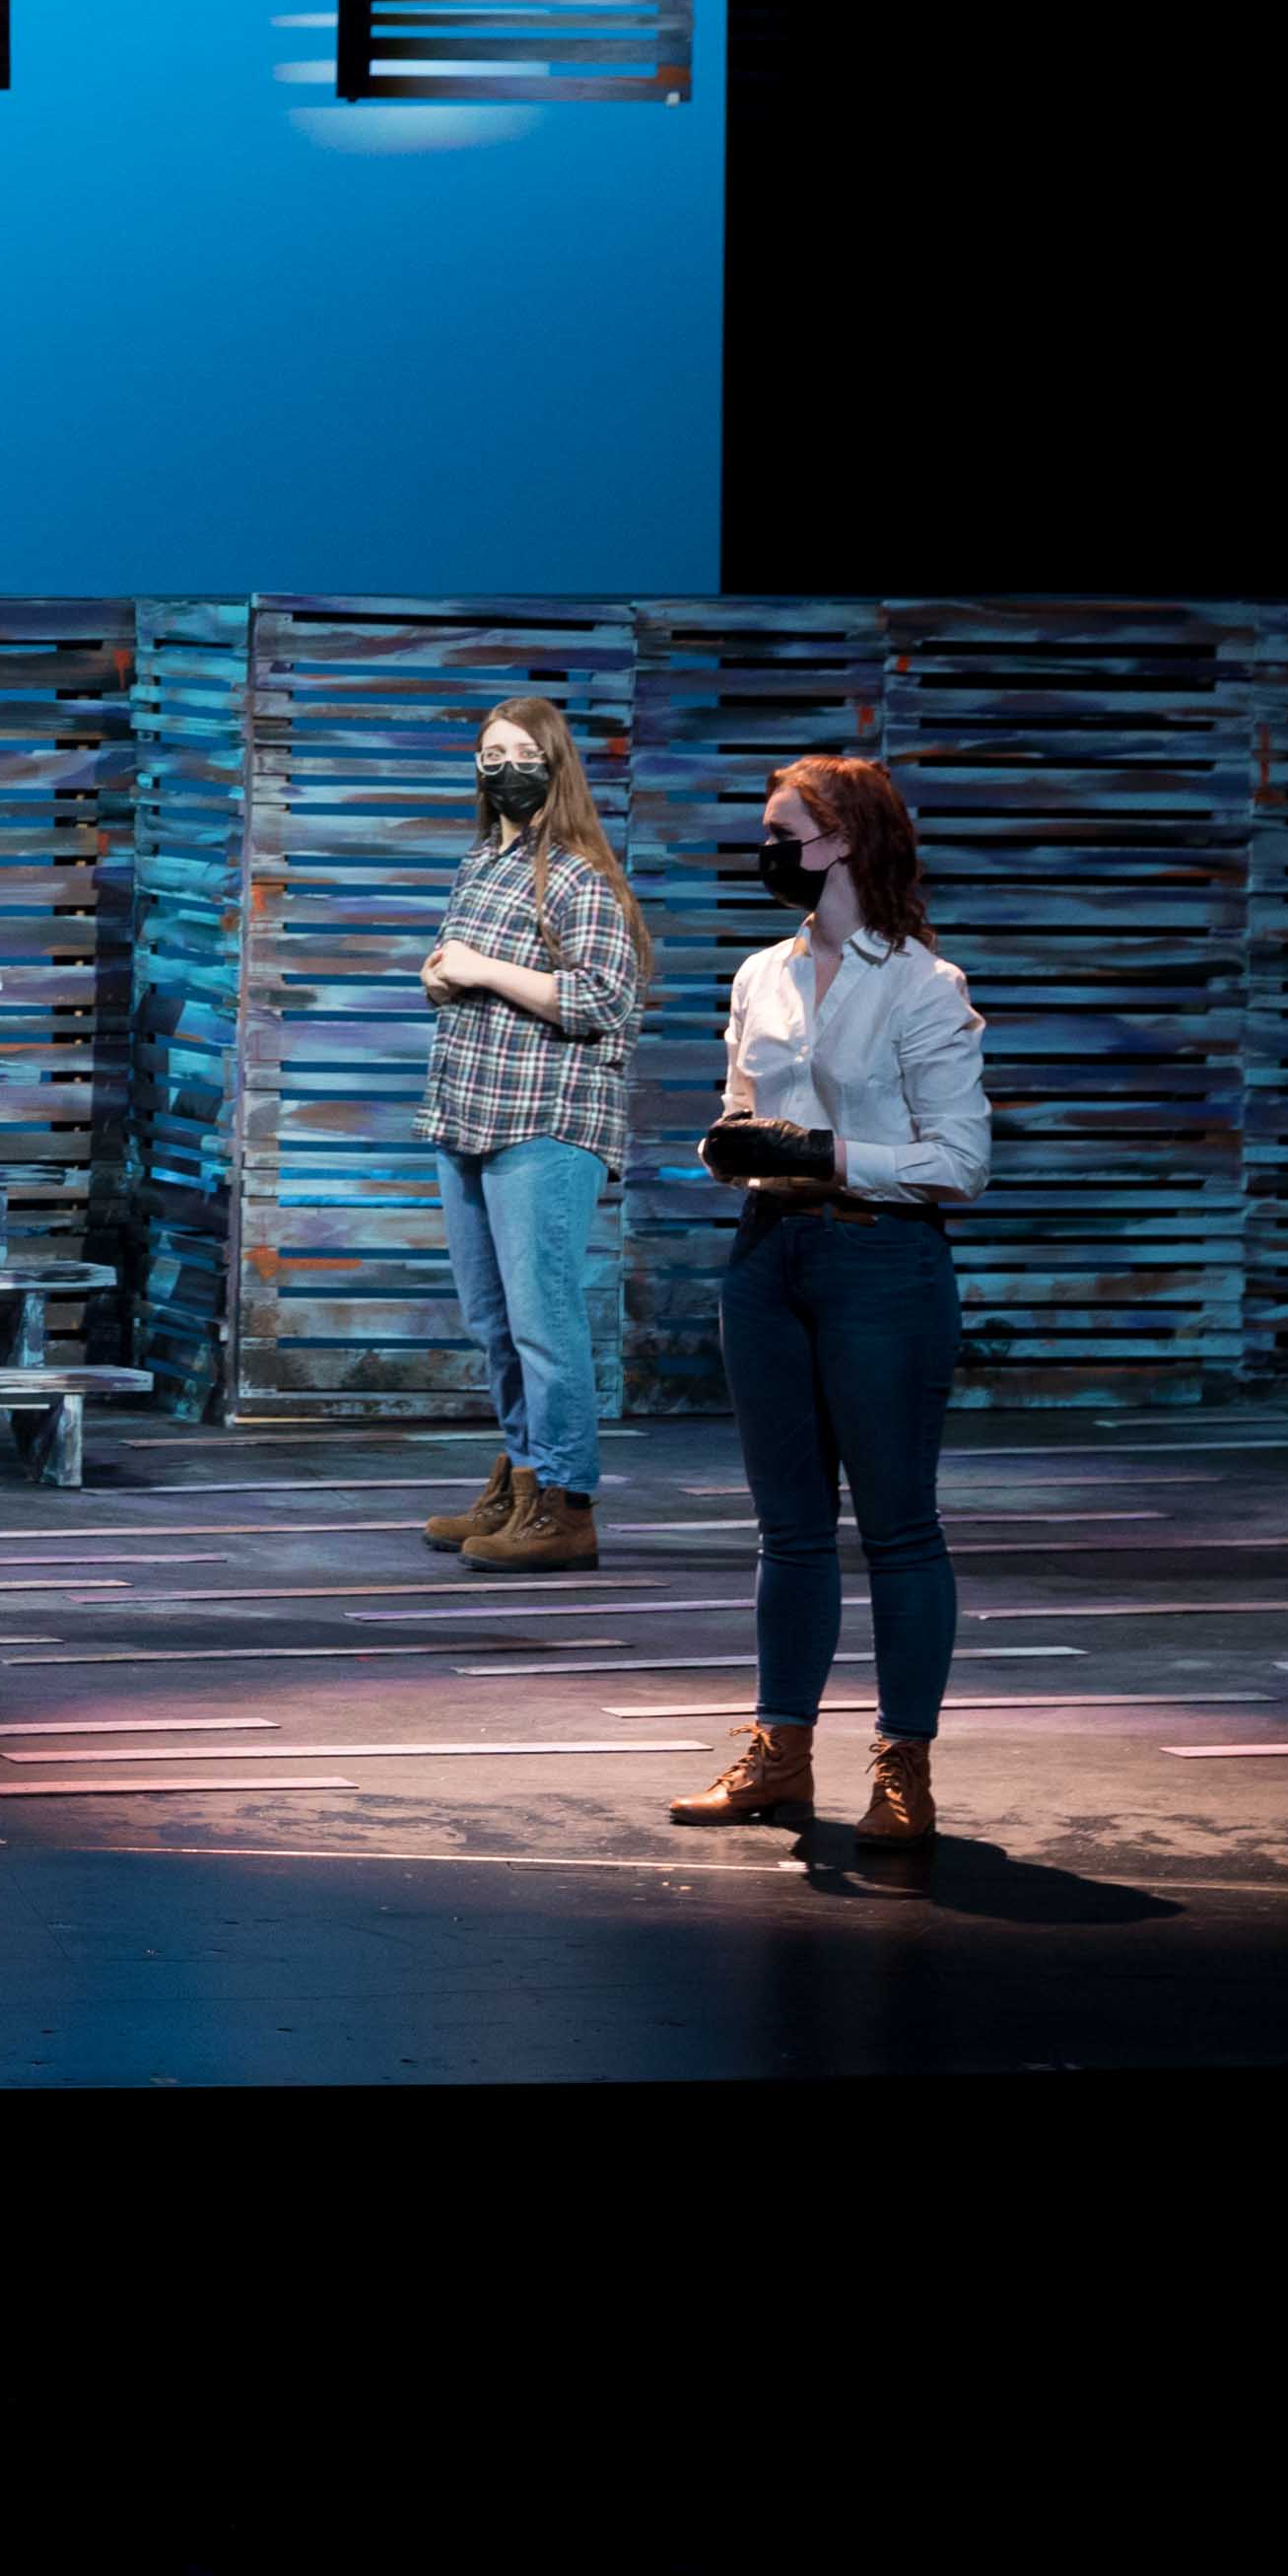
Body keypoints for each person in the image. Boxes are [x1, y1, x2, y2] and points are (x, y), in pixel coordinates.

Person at [669, 754, 989, 1858]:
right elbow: (741, 1110)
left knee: (898, 1529)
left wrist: (829, 1153)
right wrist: (735, 1146)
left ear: (843, 840)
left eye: (783, 832)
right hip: (769, 1259)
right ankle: (779, 1752)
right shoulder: (761, 975)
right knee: (788, 1529)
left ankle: (903, 1767)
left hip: (880, 1262)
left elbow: (961, 1161)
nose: (768, 851)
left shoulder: (919, 986)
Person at [417, 694, 642, 1573]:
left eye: (521, 752)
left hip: (543, 1119)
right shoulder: (479, 864)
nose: (504, 767)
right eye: (489, 753)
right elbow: (464, 965)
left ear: (553, 764)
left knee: (544, 1319)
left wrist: (479, 969)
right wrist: (442, 975)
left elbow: (598, 999)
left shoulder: (580, 877)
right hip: (467, 1110)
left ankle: (565, 1500)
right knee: (491, 1319)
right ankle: (518, 1477)